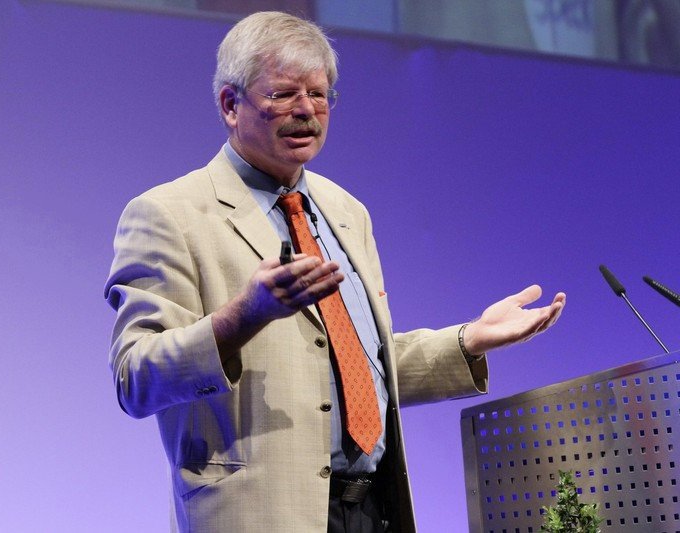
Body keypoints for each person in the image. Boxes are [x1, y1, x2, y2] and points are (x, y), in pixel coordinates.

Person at [104, 11, 565, 533]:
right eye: (283, 94)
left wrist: (468, 341)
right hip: (260, 514)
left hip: (373, 509)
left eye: (319, 94)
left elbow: (353, 367)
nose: (306, 110)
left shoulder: (346, 211)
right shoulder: (169, 214)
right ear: (231, 105)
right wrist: (246, 315)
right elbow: (135, 378)